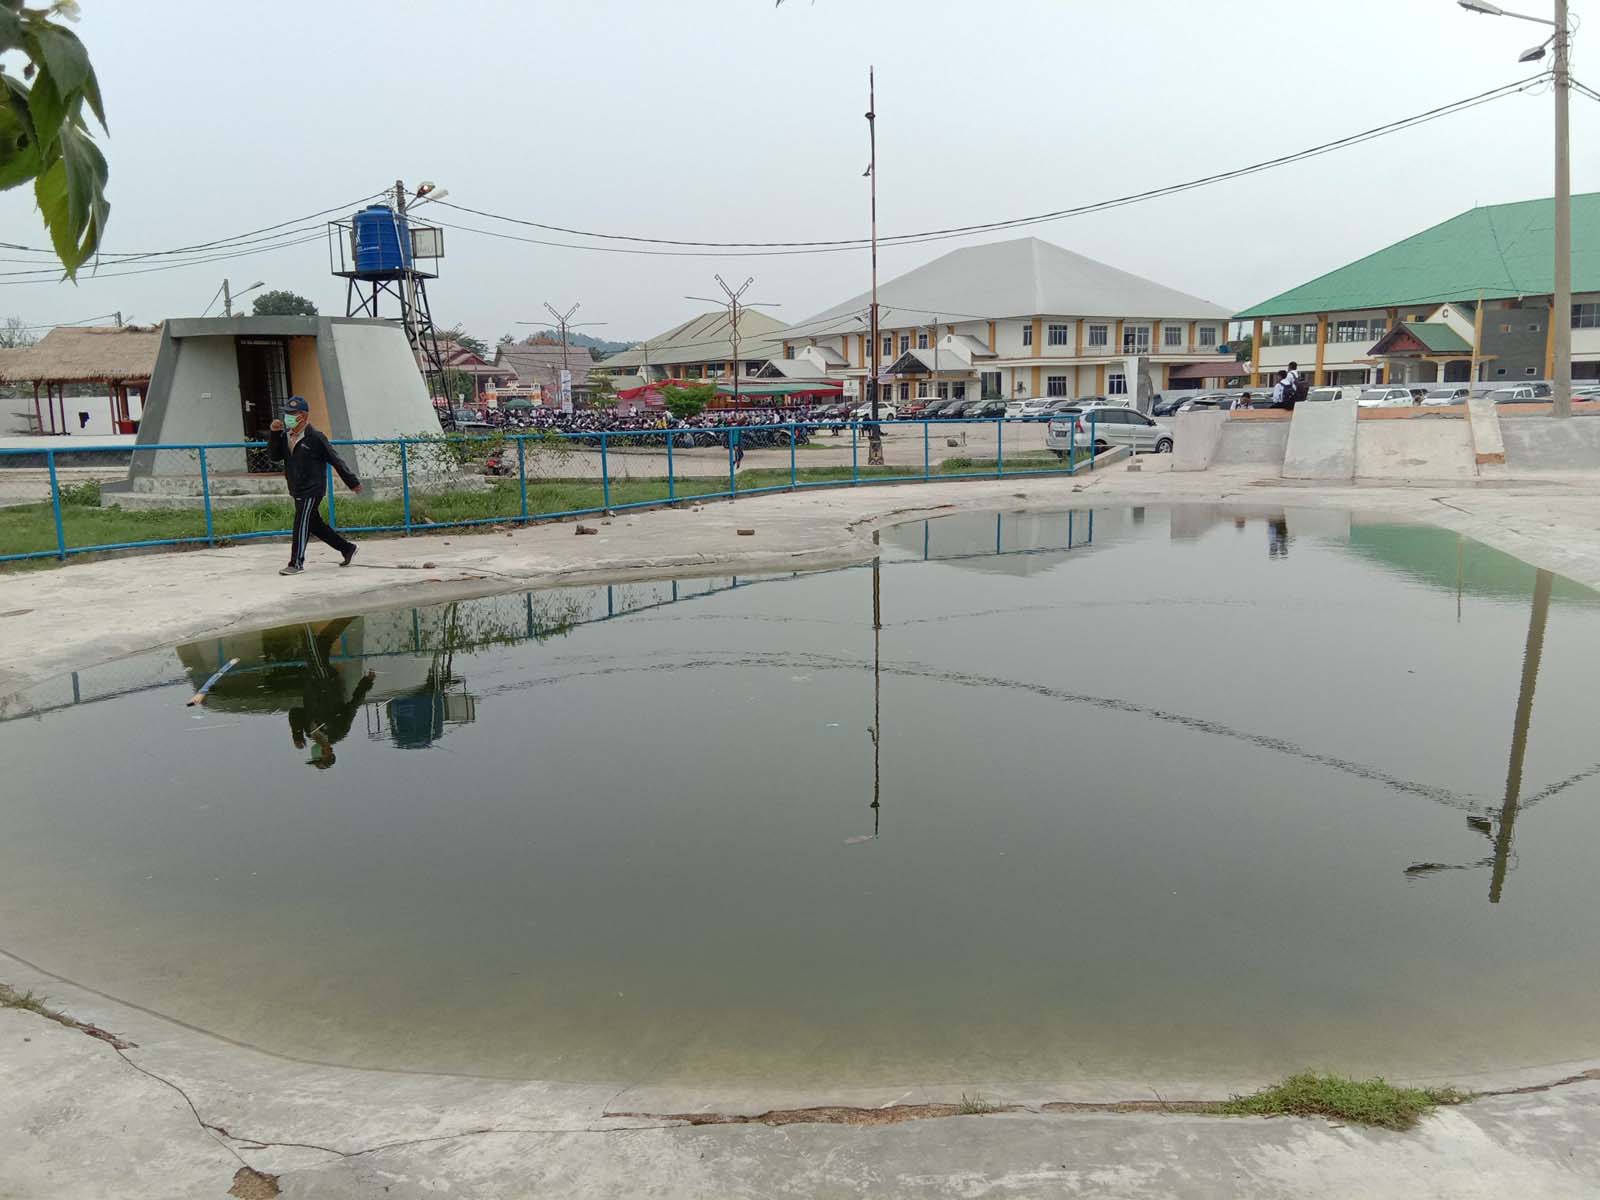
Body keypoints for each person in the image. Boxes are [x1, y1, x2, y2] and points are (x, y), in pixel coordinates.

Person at [268, 396, 362, 575]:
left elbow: (335, 460)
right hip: (296, 487)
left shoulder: (316, 438)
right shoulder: (285, 436)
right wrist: (274, 433)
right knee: (314, 524)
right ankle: (347, 548)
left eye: (291, 413)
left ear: (302, 416)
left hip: (312, 489)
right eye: (286, 413)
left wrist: (352, 482)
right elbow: (274, 456)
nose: (286, 417)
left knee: (300, 522)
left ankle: (296, 563)